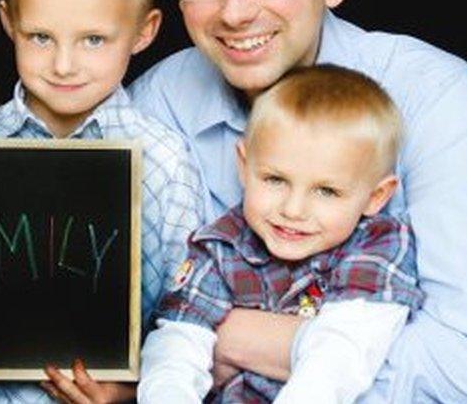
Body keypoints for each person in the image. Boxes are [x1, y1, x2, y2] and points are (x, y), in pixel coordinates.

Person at [123, 0, 467, 402]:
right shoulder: (154, 107)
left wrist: (229, 337)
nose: (235, 12)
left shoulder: (434, 98)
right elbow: (120, 341)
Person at [0, 0, 203, 403]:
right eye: (40, 37)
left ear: (144, 32)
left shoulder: (160, 160)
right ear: (8, 21)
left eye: (93, 40)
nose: (63, 64)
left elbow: (186, 312)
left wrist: (128, 390)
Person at [139, 65, 424, 403]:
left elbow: (339, 356)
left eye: (327, 191)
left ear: (376, 196)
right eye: (275, 180)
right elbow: (178, 342)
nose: (293, 209)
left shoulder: (378, 245)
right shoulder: (220, 245)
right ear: (244, 166)